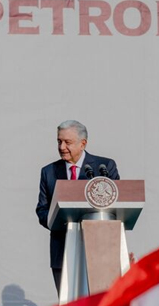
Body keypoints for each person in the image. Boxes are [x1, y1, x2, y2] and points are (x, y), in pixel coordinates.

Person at [36, 120, 120, 295]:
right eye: (59, 141)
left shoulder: (104, 167)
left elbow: (117, 203)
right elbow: (42, 210)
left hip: (99, 248)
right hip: (62, 250)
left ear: (83, 143)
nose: (62, 146)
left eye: (68, 142)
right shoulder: (49, 172)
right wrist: (57, 220)